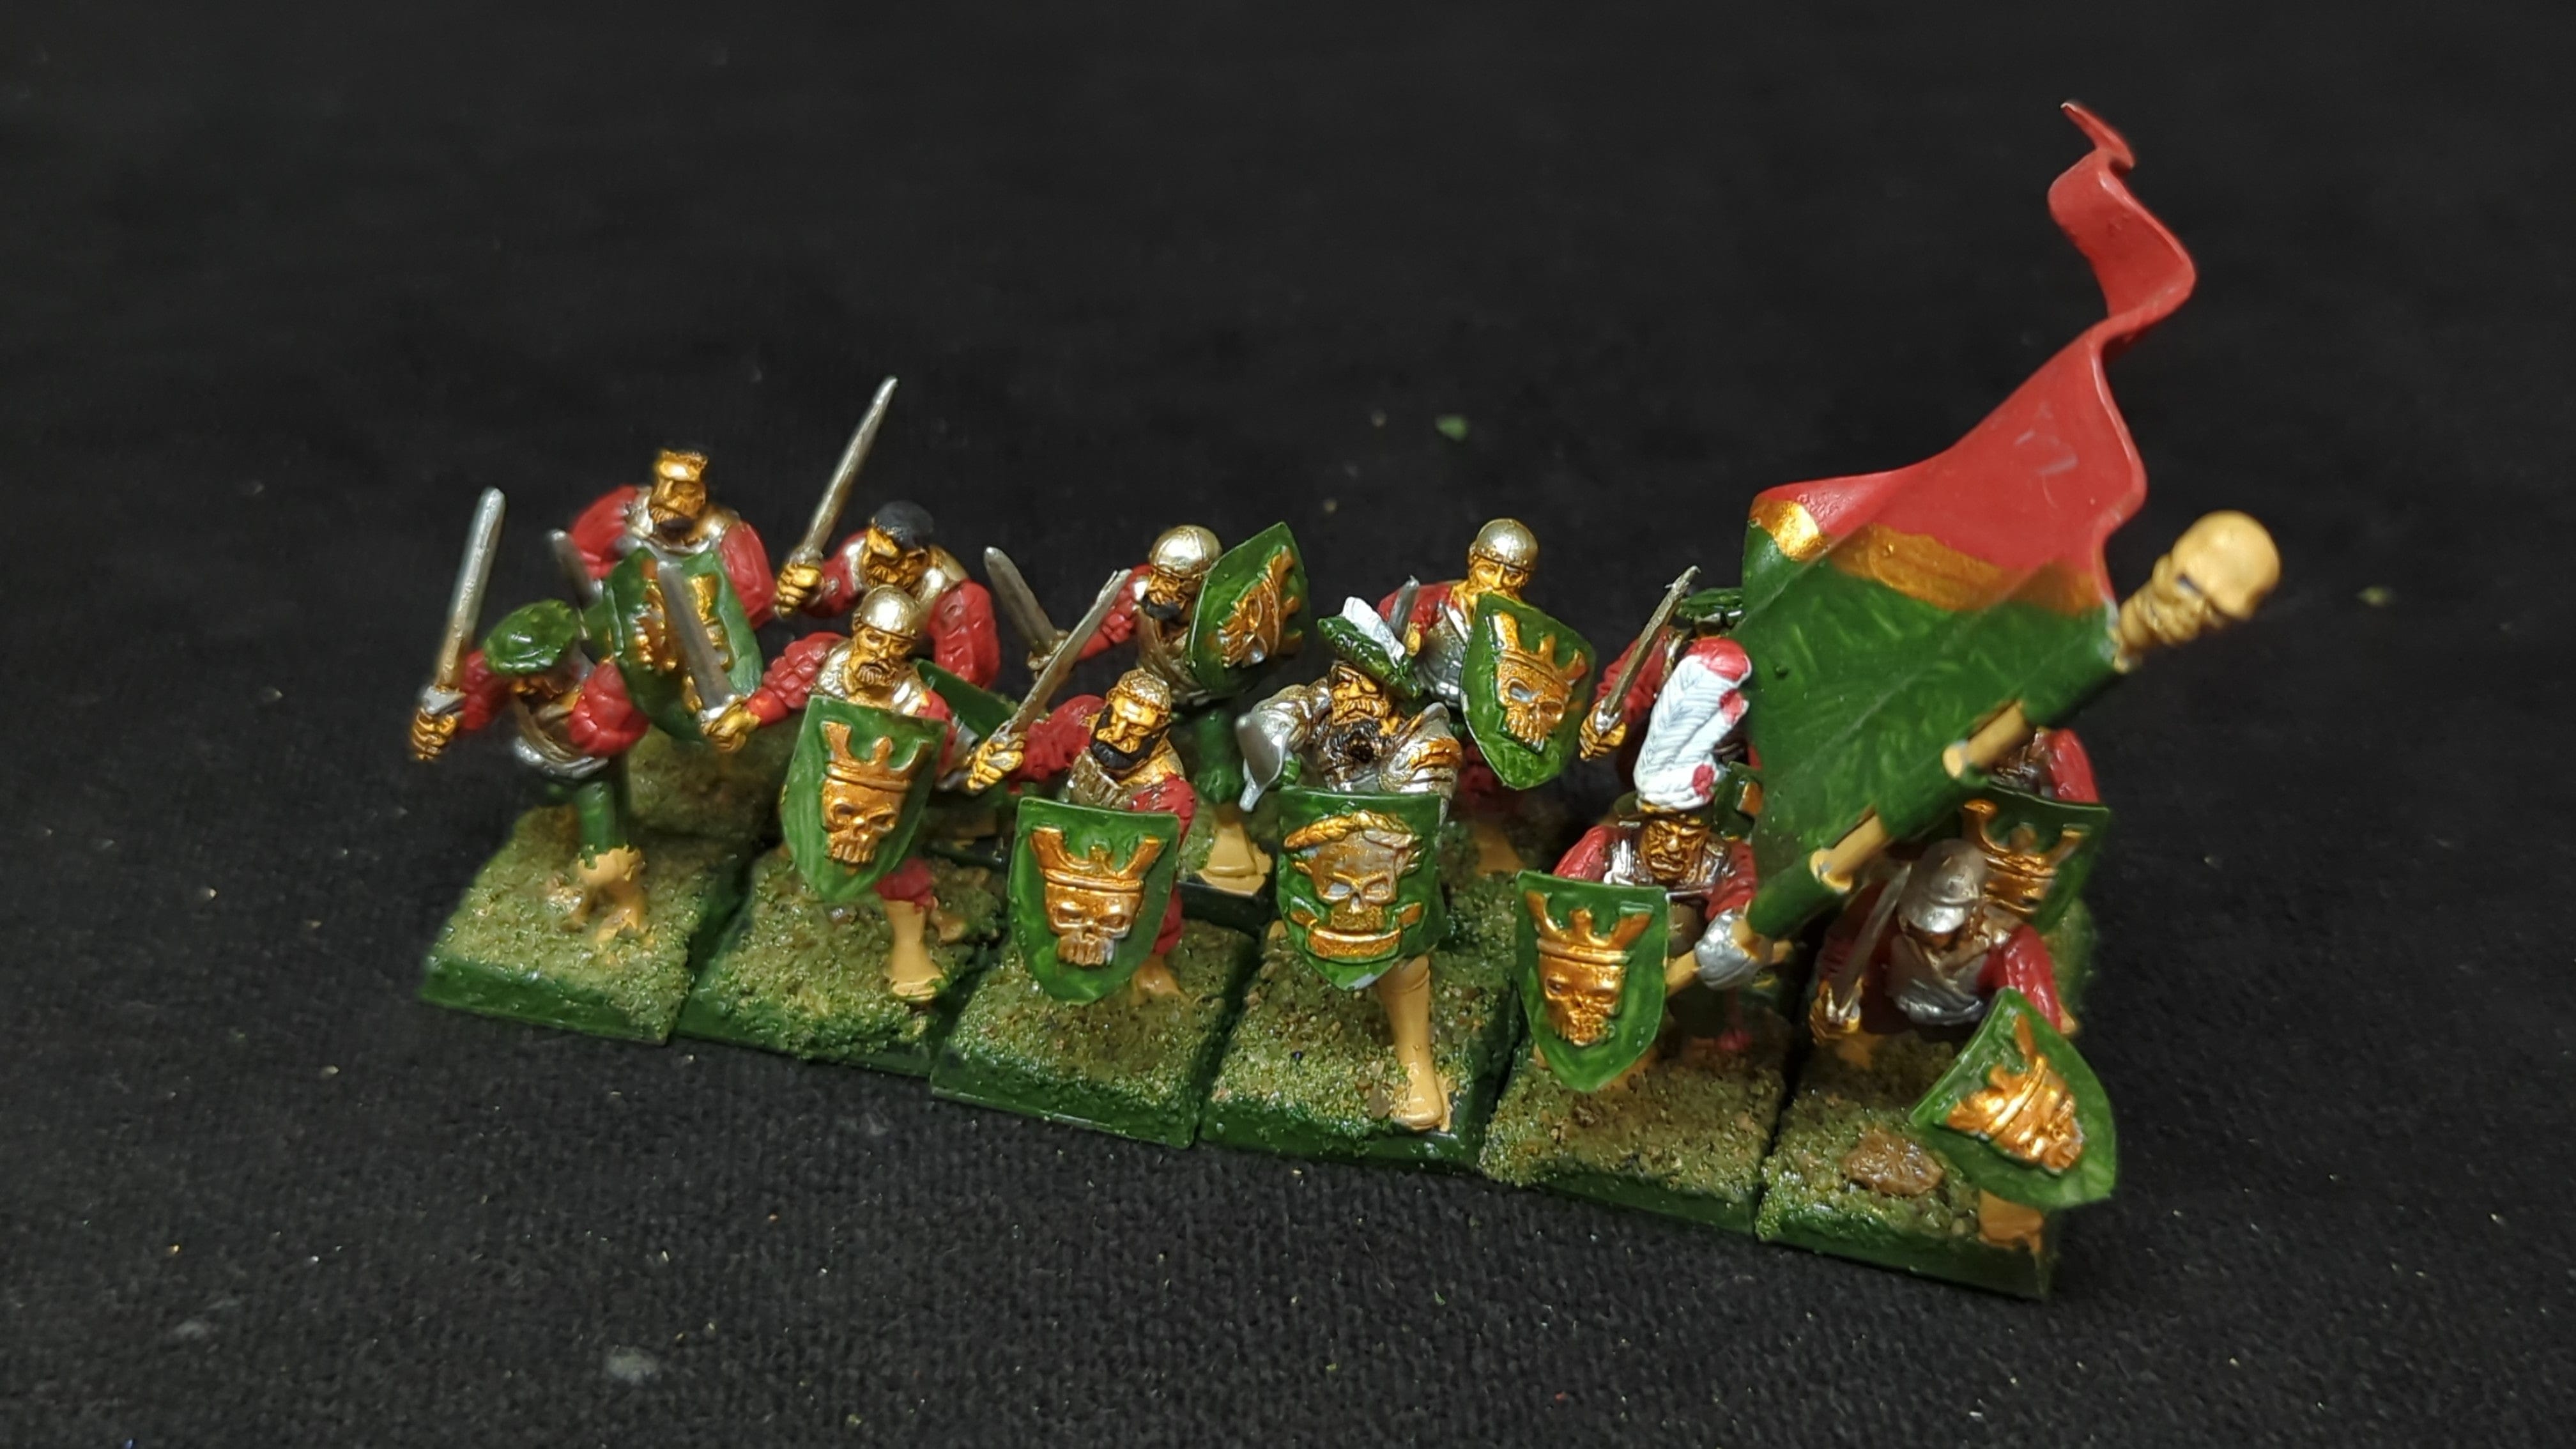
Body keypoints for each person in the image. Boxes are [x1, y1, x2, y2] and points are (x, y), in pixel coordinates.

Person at [409, 599, 652, 935]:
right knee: (558, 808)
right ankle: (592, 833)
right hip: (549, 768)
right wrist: (443, 719)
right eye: (516, 676)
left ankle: (629, 905)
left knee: (603, 864)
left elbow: (610, 728)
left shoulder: (595, 693)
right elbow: (475, 701)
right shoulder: (521, 683)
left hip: (591, 777)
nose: (519, 686)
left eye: (530, 675)